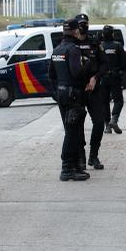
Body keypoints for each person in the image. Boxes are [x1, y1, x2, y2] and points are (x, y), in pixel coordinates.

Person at [48, 19, 90, 181]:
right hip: (73, 94)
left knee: (70, 130)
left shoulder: (57, 49)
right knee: (73, 132)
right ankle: (67, 168)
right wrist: (87, 65)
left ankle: (72, 166)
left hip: (62, 93)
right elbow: (77, 73)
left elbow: (52, 75)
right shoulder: (73, 50)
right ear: (75, 31)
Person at [74, 13, 108, 170]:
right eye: (81, 23)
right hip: (78, 90)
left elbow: (104, 64)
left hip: (94, 89)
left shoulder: (94, 42)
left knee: (99, 122)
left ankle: (93, 156)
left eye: (86, 23)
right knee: (77, 125)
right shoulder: (70, 43)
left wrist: (95, 78)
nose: (84, 26)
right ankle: (80, 157)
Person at [100, 25, 126, 134]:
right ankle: (114, 119)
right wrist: (120, 72)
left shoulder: (100, 46)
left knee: (104, 102)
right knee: (118, 100)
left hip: (102, 78)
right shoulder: (117, 45)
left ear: (102, 34)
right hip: (115, 77)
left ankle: (107, 126)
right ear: (112, 34)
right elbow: (124, 62)